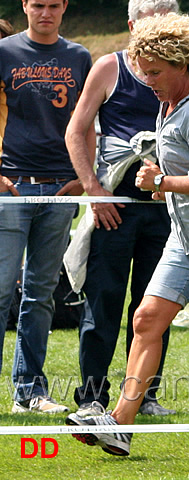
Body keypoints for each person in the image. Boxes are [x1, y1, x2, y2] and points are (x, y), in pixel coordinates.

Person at [66, 12, 189, 455]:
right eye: (142, 71)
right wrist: (168, 191)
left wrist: (159, 183)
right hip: (186, 237)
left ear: (183, 64)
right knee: (146, 320)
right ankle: (120, 423)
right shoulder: (170, 102)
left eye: (155, 72)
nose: (147, 80)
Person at [64, 0, 179, 418]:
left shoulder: (186, 70)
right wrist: (94, 191)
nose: (158, 30)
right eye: (151, 22)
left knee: (155, 307)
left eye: (168, 22)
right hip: (115, 205)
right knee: (104, 304)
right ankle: (92, 397)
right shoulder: (109, 67)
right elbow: (77, 130)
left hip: (167, 206)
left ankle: (144, 396)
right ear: (132, 24)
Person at [0, 0, 92, 413]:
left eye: (54, 5)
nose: (45, 12)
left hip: (60, 190)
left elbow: (88, 120)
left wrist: (83, 177)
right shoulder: (5, 52)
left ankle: (30, 392)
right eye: (38, 4)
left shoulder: (78, 56)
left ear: (64, 7)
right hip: (12, 185)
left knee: (40, 294)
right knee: (2, 291)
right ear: (25, 6)